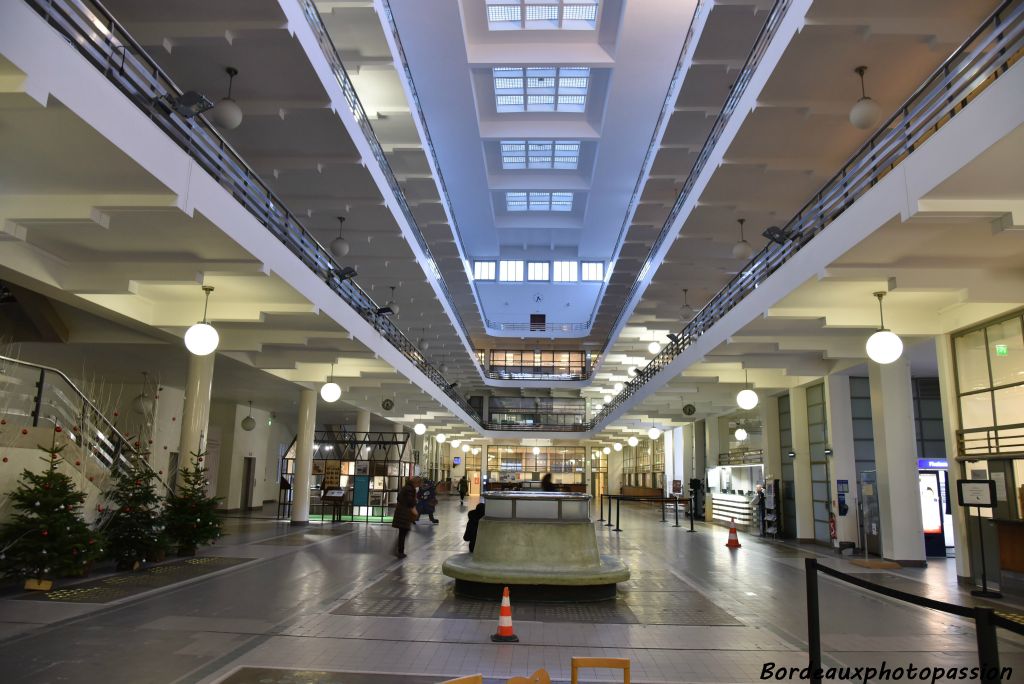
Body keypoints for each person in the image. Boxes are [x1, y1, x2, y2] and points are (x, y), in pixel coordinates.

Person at [392, 476, 420, 558]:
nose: (418, 486)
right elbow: (410, 501)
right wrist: (414, 503)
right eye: (418, 484)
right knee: (403, 532)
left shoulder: (406, 487)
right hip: (404, 513)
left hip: (401, 512)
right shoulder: (410, 489)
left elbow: (399, 498)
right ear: (416, 483)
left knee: (403, 532)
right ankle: (400, 551)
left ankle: (399, 550)